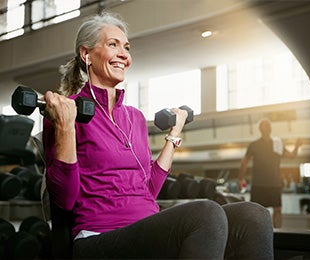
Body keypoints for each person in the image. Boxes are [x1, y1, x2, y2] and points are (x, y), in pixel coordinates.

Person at [41, 12, 273, 259]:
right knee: (206, 213)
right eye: (113, 44)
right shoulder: (66, 111)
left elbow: (148, 190)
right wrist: (65, 127)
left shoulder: (135, 117)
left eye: (127, 48)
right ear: (86, 54)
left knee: (253, 215)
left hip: (146, 228)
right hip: (100, 236)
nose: (124, 55)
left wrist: (174, 135)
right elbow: (64, 200)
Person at [239, 118, 302, 228]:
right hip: (259, 184)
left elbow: (291, 156)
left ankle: (278, 235)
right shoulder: (254, 144)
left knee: (277, 210)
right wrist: (241, 178)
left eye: (269, 125)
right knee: (256, 211)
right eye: (264, 125)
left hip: (274, 183)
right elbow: (244, 162)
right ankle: (256, 234)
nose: (267, 127)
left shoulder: (277, 143)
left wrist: (297, 146)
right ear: (260, 129)